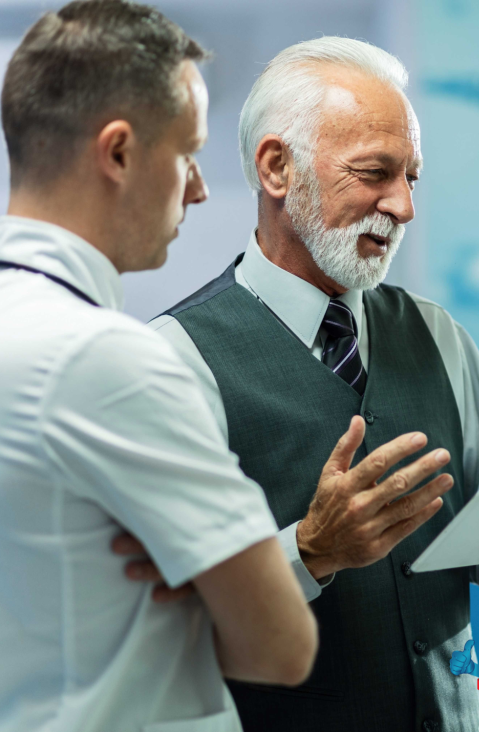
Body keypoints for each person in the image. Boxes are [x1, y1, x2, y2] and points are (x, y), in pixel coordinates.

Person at [144, 37, 479, 732]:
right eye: (376, 172)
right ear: (276, 167)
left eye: (413, 177)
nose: (403, 206)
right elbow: (157, 621)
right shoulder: (173, 361)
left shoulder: (438, 335)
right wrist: (311, 550)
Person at [0, 1, 337, 729]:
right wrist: (196, 594)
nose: (200, 187)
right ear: (118, 152)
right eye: (188, 153)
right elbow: (281, 644)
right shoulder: (110, 362)